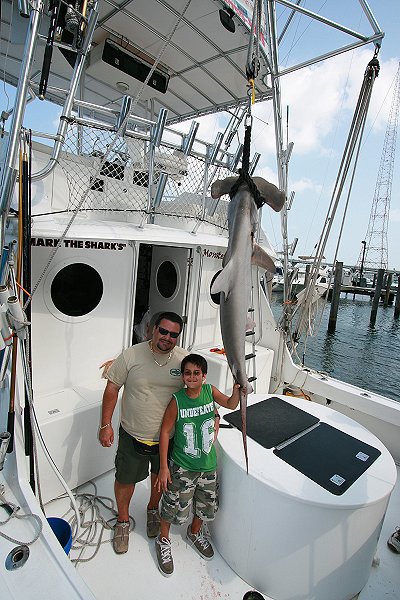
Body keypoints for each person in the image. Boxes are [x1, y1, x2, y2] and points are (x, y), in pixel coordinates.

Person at [99, 312, 187, 554]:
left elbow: (197, 391)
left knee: (160, 479)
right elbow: (112, 388)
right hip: (132, 434)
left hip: (167, 440)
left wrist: (214, 414)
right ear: (152, 329)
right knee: (125, 480)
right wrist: (105, 425)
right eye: (163, 331)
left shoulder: (184, 360)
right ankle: (123, 521)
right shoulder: (131, 354)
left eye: (173, 334)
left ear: (178, 337)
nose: (167, 337)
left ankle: (152, 510)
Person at [154, 353, 240, 577]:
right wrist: (164, 467)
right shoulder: (177, 400)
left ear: (204, 376)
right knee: (173, 505)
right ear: (183, 376)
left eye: (196, 373)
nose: (191, 377)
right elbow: (165, 431)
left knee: (206, 503)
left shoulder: (210, 392)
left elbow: (231, 403)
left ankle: (194, 532)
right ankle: (163, 540)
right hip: (183, 467)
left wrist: (238, 387)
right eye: (187, 373)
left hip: (208, 465)